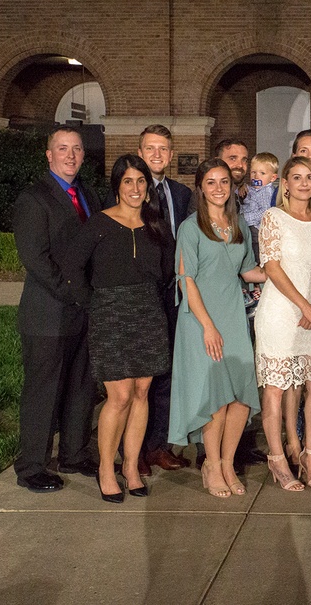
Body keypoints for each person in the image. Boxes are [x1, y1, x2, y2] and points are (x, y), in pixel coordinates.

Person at [66, 155, 174, 502]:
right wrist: (93, 302)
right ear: (117, 186)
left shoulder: (156, 225)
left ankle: (130, 466)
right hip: (109, 313)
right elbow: (72, 266)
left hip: (148, 312)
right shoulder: (99, 223)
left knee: (142, 393)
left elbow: (168, 270)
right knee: (120, 396)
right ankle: (105, 469)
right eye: (128, 181)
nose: (135, 188)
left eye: (140, 181)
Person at [168, 159, 266, 498]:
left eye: (224, 181)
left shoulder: (237, 224)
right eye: (211, 182)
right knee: (216, 397)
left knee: (240, 395)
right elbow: (187, 280)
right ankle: (210, 463)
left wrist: (287, 271)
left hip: (234, 316)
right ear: (201, 188)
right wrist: (208, 327)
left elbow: (249, 271)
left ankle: (226, 462)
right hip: (201, 320)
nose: (219, 188)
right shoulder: (191, 228)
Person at [12, 125, 99, 493]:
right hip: (48, 313)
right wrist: (74, 292)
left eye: (76, 149)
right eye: (62, 149)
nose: (70, 155)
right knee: (43, 391)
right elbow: (36, 258)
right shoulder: (34, 199)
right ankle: (32, 465)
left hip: (84, 312)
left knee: (81, 386)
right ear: (49, 155)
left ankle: (74, 453)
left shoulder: (89, 195)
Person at [255, 157, 311, 491]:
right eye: (296, 177)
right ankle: (277, 459)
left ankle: (310, 454)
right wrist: (303, 305)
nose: (304, 183)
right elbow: (271, 267)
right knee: (275, 389)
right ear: (285, 183)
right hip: (279, 313)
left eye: (310, 177)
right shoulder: (272, 218)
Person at [135, 124, 192, 476]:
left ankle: (157, 445)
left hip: (174, 295)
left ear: (171, 155)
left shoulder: (182, 194)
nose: (157, 154)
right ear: (141, 153)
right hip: (140, 296)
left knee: (168, 373)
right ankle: (133, 450)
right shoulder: (129, 192)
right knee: (141, 376)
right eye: (150, 148)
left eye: (163, 149)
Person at [243, 151, 280, 262]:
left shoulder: (266, 192)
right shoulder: (253, 189)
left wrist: (244, 218)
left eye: (262, 173)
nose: (256, 176)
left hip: (257, 231)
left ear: (273, 178)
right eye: (253, 172)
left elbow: (265, 211)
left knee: (255, 257)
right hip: (249, 227)